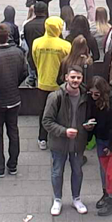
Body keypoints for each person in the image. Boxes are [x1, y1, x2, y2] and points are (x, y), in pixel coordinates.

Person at [42, 66, 91, 216]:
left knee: (77, 171)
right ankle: (57, 199)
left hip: (78, 143)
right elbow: (46, 121)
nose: (75, 80)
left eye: (78, 78)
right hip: (59, 143)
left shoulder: (85, 97)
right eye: (73, 77)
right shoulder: (56, 97)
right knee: (57, 171)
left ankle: (76, 198)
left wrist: (88, 125)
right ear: (66, 78)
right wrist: (64, 131)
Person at [0, 23, 28, 177]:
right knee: (13, 132)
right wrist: (15, 83)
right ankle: (13, 165)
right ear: (8, 36)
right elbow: (24, 72)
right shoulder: (18, 53)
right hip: (14, 98)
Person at [87, 76, 112, 216]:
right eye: (91, 93)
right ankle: (106, 194)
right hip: (101, 139)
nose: (93, 96)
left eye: (96, 94)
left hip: (110, 141)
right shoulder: (93, 100)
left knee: (111, 172)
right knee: (104, 171)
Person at [32, 14, 71, 149]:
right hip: (59, 84)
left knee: (43, 111)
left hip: (43, 82)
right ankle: (59, 135)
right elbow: (68, 65)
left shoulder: (37, 43)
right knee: (61, 111)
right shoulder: (66, 45)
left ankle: (42, 138)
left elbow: (35, 61)